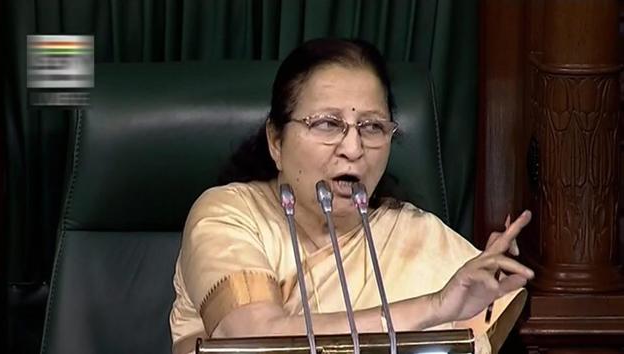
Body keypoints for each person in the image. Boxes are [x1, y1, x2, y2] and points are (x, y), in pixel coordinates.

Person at [169, 38, 533, 354]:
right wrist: (435, 306)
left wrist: (489, 283)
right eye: (327, 124)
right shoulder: (228, 215)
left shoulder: (416, 236)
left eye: (372, 127)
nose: (354, 148)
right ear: (276, 141)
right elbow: (252, 339)